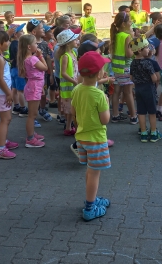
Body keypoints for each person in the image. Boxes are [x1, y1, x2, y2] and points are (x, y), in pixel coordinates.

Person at [71, 51, 112, 221]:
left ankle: (92, 199)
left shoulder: (77, 89)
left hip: (81, 137)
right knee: (95, 173)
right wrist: (107, 105)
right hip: (96, 140)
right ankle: (89, 207)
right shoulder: (99, 95)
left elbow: (73, 114)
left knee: (90, 169)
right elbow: (105, 120)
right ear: (99, 74)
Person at [0, 30, 19, 159]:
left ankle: (3, 141)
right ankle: (0, 149)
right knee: (5, 120)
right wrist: (9, 93)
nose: (9, 42)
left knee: (7, 119)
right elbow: (0, 79)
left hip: (1, 92)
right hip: (0, 93)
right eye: (6, 41)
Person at [129, 37, 162, 142]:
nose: (148, 49)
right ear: (140, 50)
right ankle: (153, 133)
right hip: (148, 88)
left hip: (138, 88)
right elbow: (154, 78)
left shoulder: (133, 63)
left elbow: (131, 78)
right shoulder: (148, 63)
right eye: (146, 48)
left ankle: (143, 133)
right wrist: (155, 79)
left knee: (141, 111)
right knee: (152, 111)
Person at [18, 33, 48, 147]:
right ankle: (30, 139)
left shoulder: (27, 58)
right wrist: (41, 56)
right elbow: (45, 68)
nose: (37, 45)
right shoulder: (33, 59)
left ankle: (32, 134)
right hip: (34, 87)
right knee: (32, 114)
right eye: (35, 43)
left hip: (34, 86)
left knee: (32, 114)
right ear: (29, 47)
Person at [110, 12, 136, 124]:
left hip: (116, 67)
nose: (131, 22)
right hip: (126, 67)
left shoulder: (116, 34)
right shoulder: (127, 36)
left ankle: (115, 115)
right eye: (130, 20)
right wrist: (136, 47)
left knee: (116, 92)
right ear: (124, 23)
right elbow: (129, 54)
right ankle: (133, 116)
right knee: (128, 92)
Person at [27, 19, 54, 122]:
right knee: (33, 95)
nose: (44, 30)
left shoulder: (44, 43)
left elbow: (47, 58)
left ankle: (42, 110)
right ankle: (33, 114)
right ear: (34, 31)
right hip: (32, 75)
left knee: (43, 93)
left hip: (43, 74)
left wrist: (51, 74)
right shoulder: (28, 43)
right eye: (41, 28)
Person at [58, 29, 80, 136]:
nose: (77, 41)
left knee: (72, 111)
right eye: (74, 39)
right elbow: (63, 73)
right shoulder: (65, 56)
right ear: (68, 42)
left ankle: (68, 128)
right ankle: (76, 129)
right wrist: (74, 81)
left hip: (73, 86)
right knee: (73, 110)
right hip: (69, 88)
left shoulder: (73, 53)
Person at [9, 24, 28, 117]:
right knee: (21, 90)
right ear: (16, 34)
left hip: (13, 69)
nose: (23, 33)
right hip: (18, 69)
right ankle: (23, 108)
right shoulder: (17, 45)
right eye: (21, 31)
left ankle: (16, 106)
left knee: (14, 89)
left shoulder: (12, 44)